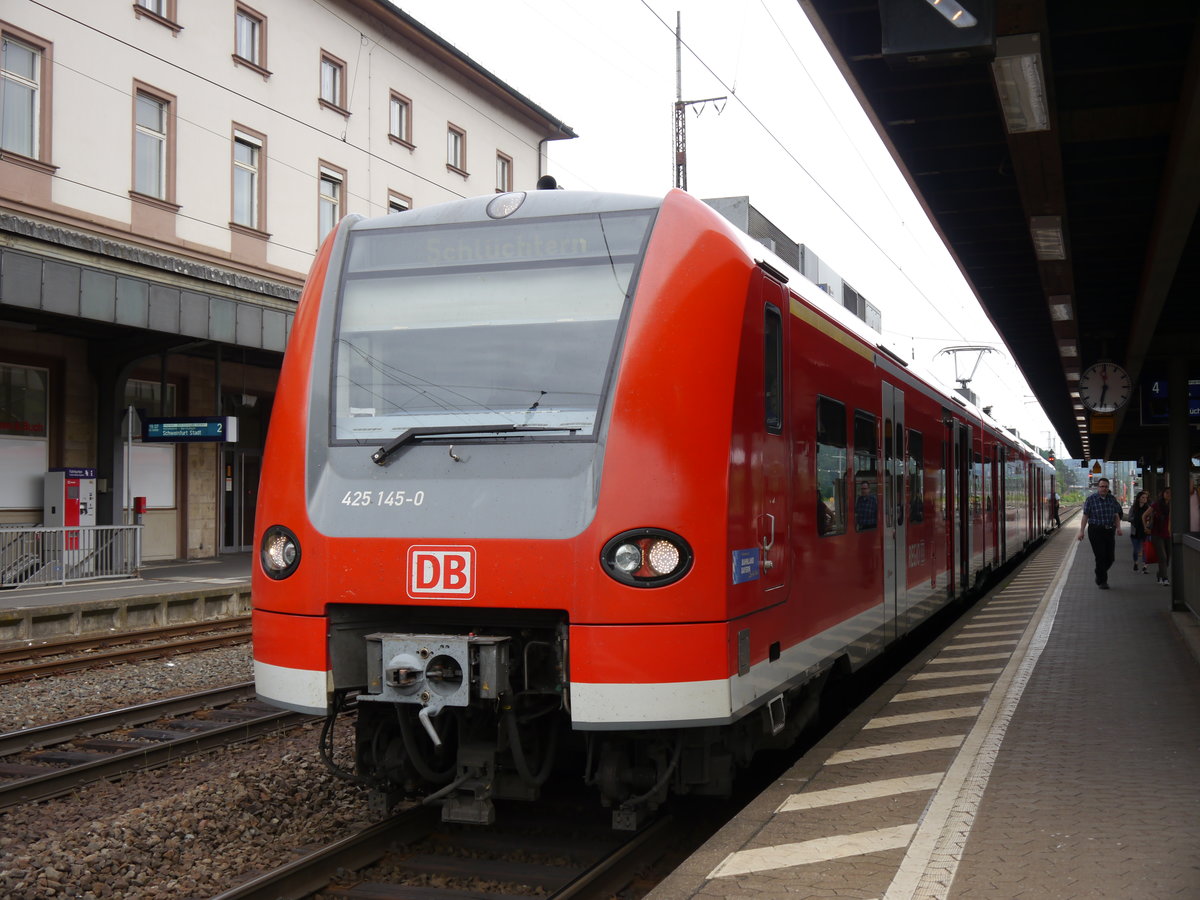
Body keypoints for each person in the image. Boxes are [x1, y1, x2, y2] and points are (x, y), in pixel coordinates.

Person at [1077, 477, 1123, 589]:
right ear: (1098, 487)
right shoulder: (1091, 499)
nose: (1104, 488)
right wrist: (1081, 531)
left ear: (1108, 488)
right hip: (1095, 531)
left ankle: (1099, 572)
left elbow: (1116, 515)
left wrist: (1118, 528)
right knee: (1100, 556)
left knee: (1110, 558)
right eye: (1102, 486)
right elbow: (1085, 516)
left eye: (1106, 486)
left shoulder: (1112, 499)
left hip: (1109, 531)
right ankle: (1102, 581)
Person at [1147, 487, 1172, 585]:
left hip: (1168, 534)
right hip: (1157, 534)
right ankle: (1165, 578)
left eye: (1170, 493)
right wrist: (1146, 528)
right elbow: (1144, 515)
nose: (1168, 495)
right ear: (1162, 494)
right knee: (1163, 557)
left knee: (1168, 558)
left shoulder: (1172, 505)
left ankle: (1159, 574)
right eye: (1167, 492)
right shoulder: (1156, 505)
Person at [1127, 489, 1151, 573]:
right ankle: (1136, 562)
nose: (1145, 499)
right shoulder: (1134, 508)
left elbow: (1151, 518)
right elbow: (1129, 518)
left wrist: (1147, 523)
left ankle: (1145, 566)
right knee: (1136, 549)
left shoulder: (1148, 508)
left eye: (1146, 498)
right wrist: (1136, 519)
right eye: (1143, 497)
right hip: (1135, 531)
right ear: (1139, 498)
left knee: (1145, 549)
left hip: (1145, 531)